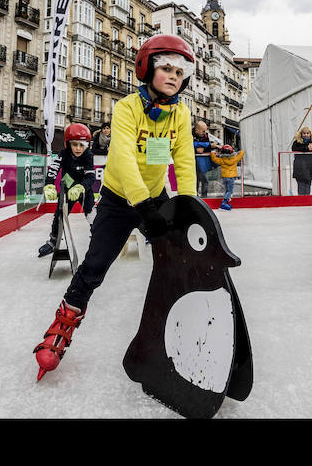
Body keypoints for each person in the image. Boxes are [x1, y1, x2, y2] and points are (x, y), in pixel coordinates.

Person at [33, 33, 197, 380]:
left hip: (156, 197)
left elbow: (183, 159)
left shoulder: (181, 113)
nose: (173, 77)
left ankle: (184, 325)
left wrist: (188, 204)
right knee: (94, 265)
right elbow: (122, 158)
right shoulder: (126, 108)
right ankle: (61, 327)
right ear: (147, 69)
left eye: (179, 73)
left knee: (180, 259)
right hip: (120, 200)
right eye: (166, 68)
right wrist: (144, 206)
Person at [37, 123, 97, 257]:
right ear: (68, 143)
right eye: (75, 144)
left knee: (92, 216)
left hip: (84, 191)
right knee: (59, 216)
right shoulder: (63, 154)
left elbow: (91, 176)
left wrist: (81, 187)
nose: (78, 148)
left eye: (82, 145)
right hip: (67, 191)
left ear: (87, 145)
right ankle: (52, 242)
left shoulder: (88, 155)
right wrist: (49, 184)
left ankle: (98, 241)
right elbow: (53, 169)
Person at [210, 144, 245, 210]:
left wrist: (213, 153)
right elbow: (242, 153)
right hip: (231, 177)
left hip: (225, 177)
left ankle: (226, 203)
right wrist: (237, 152)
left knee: (227, 190)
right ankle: (224, 203)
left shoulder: (222, 160)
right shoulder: (235, 159)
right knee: (230, 191)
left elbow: (214, 159)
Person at [290, 126, 312, 195]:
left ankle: (307, 200)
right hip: (300, 168)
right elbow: (294, 148)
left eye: (307, 133)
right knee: (301, 186)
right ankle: (301, 200)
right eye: (304, 133)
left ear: (310, 134)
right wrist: (306, 148)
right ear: (301, 134)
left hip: (309, 168)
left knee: (308, 186)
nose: (306, 135)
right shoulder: (297, 142)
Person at [192, 120, 215, 197]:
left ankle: (204, 197)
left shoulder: (205, 135)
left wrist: (200, 145)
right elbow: (189, 145)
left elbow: (205, 148)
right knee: (195, 181)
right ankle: (195, 197)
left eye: (205, 131)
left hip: (203, 162)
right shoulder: (189, 134)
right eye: (203, 131)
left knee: (205, 180)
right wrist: (206, 145)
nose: (205, 133)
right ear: (197, 130)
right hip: (193, 162)